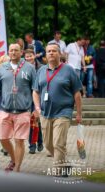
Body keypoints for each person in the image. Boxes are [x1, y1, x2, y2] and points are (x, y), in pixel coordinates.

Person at [33, 43, 82, 177]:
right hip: (45, 113)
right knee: (49, 145)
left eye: (54, 51)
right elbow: (35, 91)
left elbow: (77, 93)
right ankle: (65, 164)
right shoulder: (41, 71)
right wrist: (37, 107)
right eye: (48, 51)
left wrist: (78, 113)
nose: (51, 53)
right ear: (46, 54)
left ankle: (57, 173)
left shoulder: (69, 70)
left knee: (58, 144)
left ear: (59, 53)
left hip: (63, 112)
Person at [0, 43, 36, 172]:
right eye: (11, 50)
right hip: (5, 110)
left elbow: (35, 90)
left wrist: (36, 109)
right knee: (3, 139)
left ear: (21, 52)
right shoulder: (2, 68)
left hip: (23, 111)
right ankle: (14, 160)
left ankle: (17, 169)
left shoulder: (30, 68)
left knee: (19, 141)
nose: (13, 52)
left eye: (16, 50)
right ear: (8, 52)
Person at [24, 49, 44, 154]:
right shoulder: (22, 68)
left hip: (38, 96)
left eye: (30, 56)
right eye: (26, 56)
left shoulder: (41, 68)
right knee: (31, 122)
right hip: (27, 98)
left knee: (36, 121)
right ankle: (32, 145)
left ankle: (39, 142)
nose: (28, 58)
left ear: (34, 56)